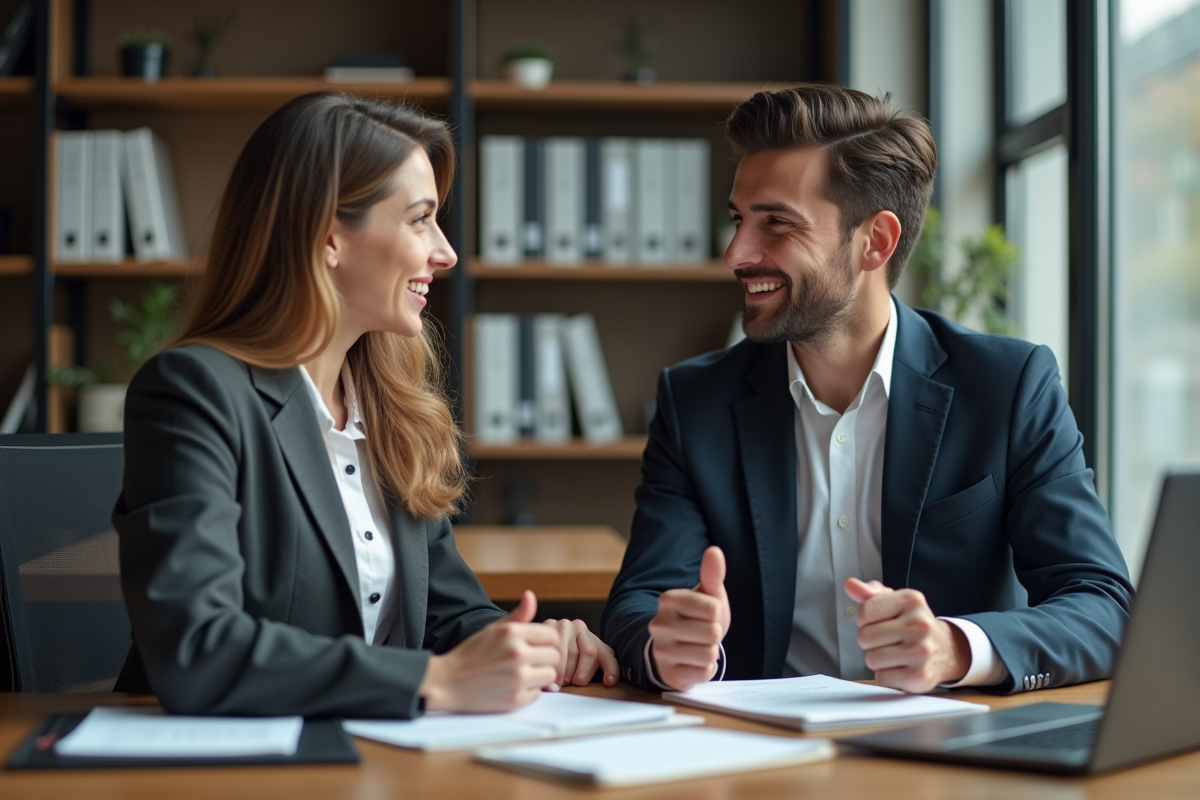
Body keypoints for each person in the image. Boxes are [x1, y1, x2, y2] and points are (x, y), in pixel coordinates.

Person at [601, 85, 1133, 696]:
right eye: (740, 219)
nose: (736, 253)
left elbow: (1103, 605)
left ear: (875, 241)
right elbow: (638, 600)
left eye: (776, 223)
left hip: (946, 742)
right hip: (760, 745)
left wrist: (955, 647)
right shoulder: (695, 401)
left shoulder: (1008, 387)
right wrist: (667, 646)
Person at [112, 92, 618, 717]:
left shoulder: (390, 407)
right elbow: (196, 649)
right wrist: (431, 681)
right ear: (329, 238)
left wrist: (527, 647)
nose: (446, 253)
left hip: (377, 752)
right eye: (419, 220)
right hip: (225, 758)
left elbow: (447, 617)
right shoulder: (195, 390)